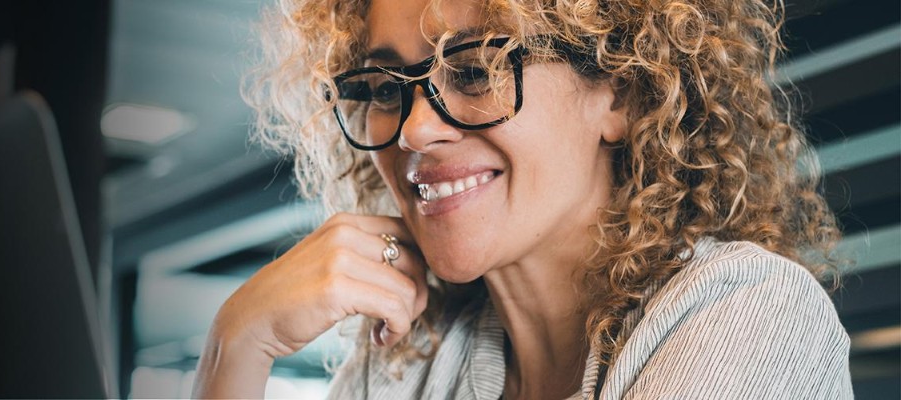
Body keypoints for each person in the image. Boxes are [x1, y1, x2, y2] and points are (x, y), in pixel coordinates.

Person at [192, 0, 852, 398]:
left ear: (621, 92)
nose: (416, 129)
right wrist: (235, 348)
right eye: (387, 89)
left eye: (474, 69)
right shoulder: (409, 362)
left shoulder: (747, 310)